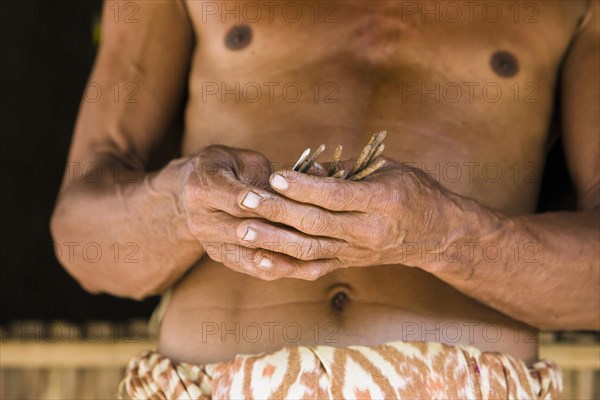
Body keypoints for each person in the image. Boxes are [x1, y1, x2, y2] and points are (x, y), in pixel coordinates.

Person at [51, 1, 599, 398]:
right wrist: (177, 203)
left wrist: (444, 235)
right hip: (212, 382)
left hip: (463, 386)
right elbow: (80, 239)